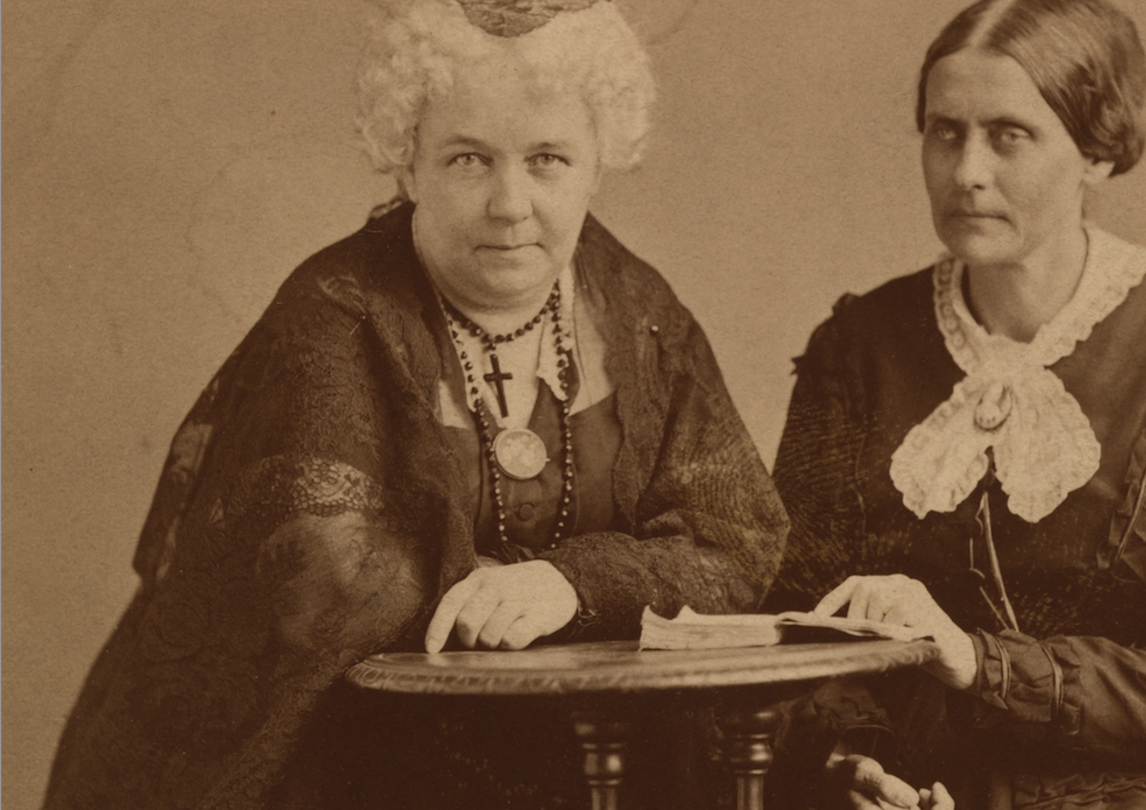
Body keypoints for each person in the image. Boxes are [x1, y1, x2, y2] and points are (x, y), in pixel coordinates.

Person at [43, 1, 787, 807]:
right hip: (363, 764)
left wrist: (570, 585)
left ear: (597, 163)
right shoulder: (336, 312)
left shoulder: (640, 313)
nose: (510, 203)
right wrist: (516, 588)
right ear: (407, 164)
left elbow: (735, 537)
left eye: (548, 159)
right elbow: (323, 578)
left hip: (600, 764)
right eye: (468, 159)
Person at [765, 1, 1146, 808]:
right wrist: (852, 767)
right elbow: (796, 620)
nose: (967, 171)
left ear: (1097, 153)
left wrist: (978, 661)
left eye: (1009, 135)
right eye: (944, 131)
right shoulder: (857, 350)